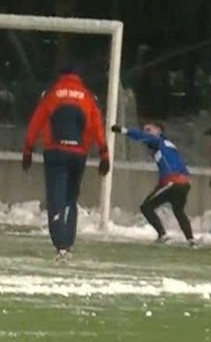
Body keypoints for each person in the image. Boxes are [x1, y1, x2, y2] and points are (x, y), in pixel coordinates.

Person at [22, 64, 110, 260]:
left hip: (55, 151)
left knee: (56, 198)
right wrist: (104, 153)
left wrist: (28, 149)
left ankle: (60, 244)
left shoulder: (52, 94)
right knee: (71, 198)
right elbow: (96, 125)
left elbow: (37, 121)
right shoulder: (88, 96)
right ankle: (68, 243)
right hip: (79, 153)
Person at [111, 123, 196, 247]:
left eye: (148, 129)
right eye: (144, 129)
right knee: (178, 210)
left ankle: (163, 235)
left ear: (158, 130)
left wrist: (123, 130)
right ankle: (191, 240)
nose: (145, 132)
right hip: (185, 183)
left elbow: (142, 137)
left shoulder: (158, 141)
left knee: (146, 207)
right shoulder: (168, 145)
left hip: (172, 181)